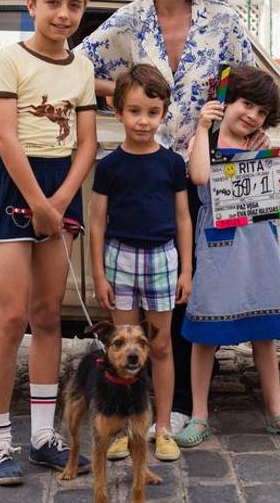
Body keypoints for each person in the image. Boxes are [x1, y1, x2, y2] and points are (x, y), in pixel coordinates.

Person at [78, 0, 255, 445]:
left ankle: (177, 406)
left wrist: (237, 126)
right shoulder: (129, 21)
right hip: (147, 167)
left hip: (203, 171)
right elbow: (79, 67)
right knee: (154, 291)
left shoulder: (221, 19)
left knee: (189, 288)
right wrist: (127, 93)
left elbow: (249, 80)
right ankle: (146, 407)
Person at [0, 0, 97, 485]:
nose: (63, 13)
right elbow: (7, 138)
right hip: (14, 183)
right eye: (53, 2)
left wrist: (62, 200)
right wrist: (40, 205)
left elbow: (87, 142)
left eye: (73, 5)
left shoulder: (82, 69)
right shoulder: (9, 60)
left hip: (60, 185)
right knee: (10, 316)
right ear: (32, 5)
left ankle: (45, 435)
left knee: (49, 314)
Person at [175, 65, 280, 446]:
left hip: (260, 248)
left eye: (262, 111)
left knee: (265, 334)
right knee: (204, 337)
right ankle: (199, 414)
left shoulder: (262, 147)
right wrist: (203, 128)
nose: (252, 115)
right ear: (226, 103)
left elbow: (277, 200)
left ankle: (277, 411)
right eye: (246, 104)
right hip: (219, 249)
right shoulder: (205, 142)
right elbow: (201, 178)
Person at [89, 64, 193, 463]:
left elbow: (183, 218)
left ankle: (162, 426)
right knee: (122, 349)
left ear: (163, 113)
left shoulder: (171, 164)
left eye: (152, 112)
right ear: (118, 111)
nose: (143, 121)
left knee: (160, 344)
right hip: (121, 258)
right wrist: (99, 274)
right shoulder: (110, 166)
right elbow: (98, 222)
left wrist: (186, 269)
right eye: (134, 111)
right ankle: (120, 427)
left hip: (163, 259)